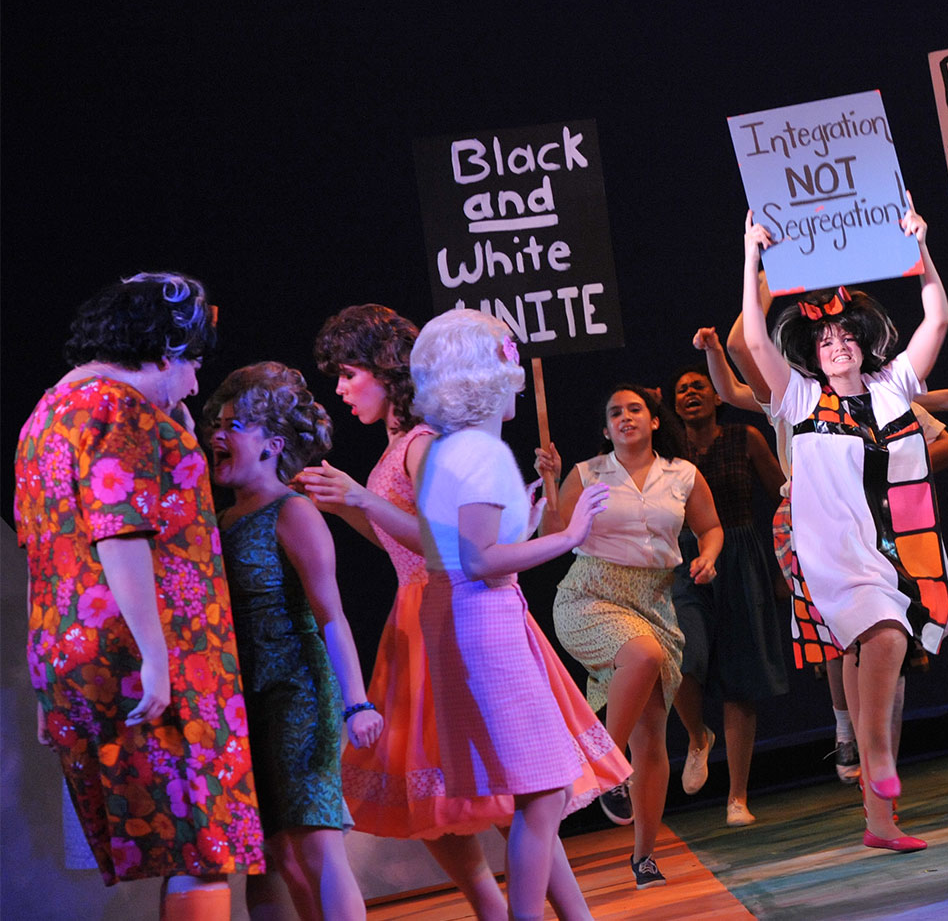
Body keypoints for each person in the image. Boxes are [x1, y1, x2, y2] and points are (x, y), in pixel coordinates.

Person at [303, 305, 627, 920]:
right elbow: (405, 544)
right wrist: (347, 504)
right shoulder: (404, 443)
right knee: (464, 798)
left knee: (521, 790)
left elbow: (444, 544)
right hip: (421, 617)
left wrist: (359, 497)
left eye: (349, 375)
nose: (343, 390)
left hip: (455, 615)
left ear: (385, 369)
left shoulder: (425, 443)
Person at [16, 272, 265, 918]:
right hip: (147, 645)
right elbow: (118, 532)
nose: (194, 381)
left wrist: (45, 679)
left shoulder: (44, 414)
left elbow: (41, 553)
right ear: (159, 350)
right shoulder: (113, 407)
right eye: (190, 362)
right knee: (199, 841)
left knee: (175, 841)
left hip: (70, 645)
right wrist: (157, 657)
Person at [737, 199, 948, 852]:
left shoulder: (894, 387)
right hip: (835, 553)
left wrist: (921, 249)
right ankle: (881, 759)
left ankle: (880, 820)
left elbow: (940, 316)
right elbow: (754, 341)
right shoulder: (802, 397)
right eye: (824, 340)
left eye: (846, 336)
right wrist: (750, 254)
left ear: (864, 342)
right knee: (888, 633)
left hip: (898, 546)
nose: (836, 346)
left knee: (872, 676)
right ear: (813, 350)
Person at [409, 309, 616, 921]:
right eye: (508, 358)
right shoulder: (480, 452)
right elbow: (480, 560)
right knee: (543, 790)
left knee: (539, 790)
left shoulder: (449, 449)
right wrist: (571, 531)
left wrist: (523, 518)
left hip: (460, 616)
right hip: (483, 623)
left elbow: (457, 549)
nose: (518, 374)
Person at [204, 362, 378, 920]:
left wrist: (356, 703)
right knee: (266, 852)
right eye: (218, 425)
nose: (219, 436)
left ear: (272, 445)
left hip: (299, 692)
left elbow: (332, 617)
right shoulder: (221, 520)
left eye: (234, 426)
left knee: (315, 841)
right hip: (242, 699)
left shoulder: (294, 512)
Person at [537, 384, 722, 888]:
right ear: (605, 429)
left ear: (654, 420)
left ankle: (644, 857)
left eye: (634, 409)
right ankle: (607, 766)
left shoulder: (681, 475)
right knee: (641, 656)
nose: (625, 417)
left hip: (654, 600)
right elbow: (551, 535)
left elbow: (710, 528)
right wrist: (551, 483)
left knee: (652, 732)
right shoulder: (588, 473)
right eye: (614, 412)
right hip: (589, 594)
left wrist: (707, 556)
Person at [664, 364, 787, 826]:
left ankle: (737, 797)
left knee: (741, 677)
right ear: (672, 406)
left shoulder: (745, 438)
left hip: (739, 554)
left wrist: (784, 563)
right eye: (682, 388)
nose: (691, 391)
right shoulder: (666, 451)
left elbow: (783, 492)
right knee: (678, 656)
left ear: (718, 397)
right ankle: (698, 737)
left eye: (699, 385)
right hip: (684, 558)